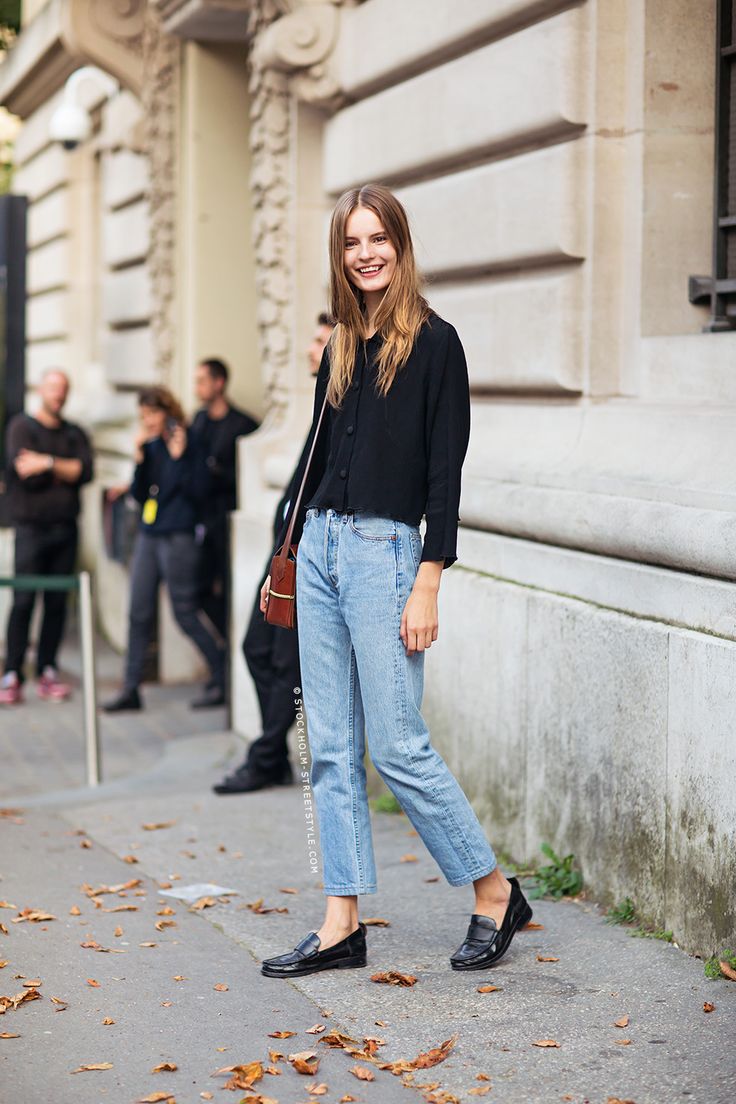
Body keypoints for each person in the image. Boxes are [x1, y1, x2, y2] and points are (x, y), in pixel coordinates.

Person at [259, 185, 532, 980]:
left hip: (385, 557)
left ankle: (492, 890)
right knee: (333, 749)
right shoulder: (342, 342)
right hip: (319, 551)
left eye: (378, 239)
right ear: (340, 255)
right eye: (352, 242)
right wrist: (295, 544)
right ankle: (341, 920)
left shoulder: (437, 344)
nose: (365, 253)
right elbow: (316, 458)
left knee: (400, 744)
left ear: (401, 246)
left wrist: (429, 581)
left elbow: (445, 475)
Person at [213, 314, 335, 795]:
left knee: (286, 661)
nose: (310, 349)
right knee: (254, 648)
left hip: (304, 554)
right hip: (282, 551)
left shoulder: (341, 407)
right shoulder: (321, 402)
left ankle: (265, 756)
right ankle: (272, 753)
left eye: (320, 341)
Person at [103, 387, 225, 713]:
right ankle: (130, 689)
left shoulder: (192, 442)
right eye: (143, 416)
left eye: (152, 414)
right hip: (149, 534)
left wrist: (179, 458)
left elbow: (199, 491)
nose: (147, 421)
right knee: (138, 611)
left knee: (184, 611)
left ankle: (222, 673)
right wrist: (140, 460)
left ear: (167, 412)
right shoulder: (152, 446)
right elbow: (143, 496)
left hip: (180, 537)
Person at [0, 369, 93, 706]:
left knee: (56, 605)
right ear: (41, 390)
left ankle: (47, 670)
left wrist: (48, 463)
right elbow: (25, 471)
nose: (59, 395)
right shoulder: (21, 427)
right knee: (23, 601)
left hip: (65, 530)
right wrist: (60, 470)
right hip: (31, 529)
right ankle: (12, 673)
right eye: (53, 388)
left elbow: (85, 470)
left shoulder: (74, 433)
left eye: (64, 389)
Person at [189, 358, 258, 709]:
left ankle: (229, 676)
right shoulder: (197, 422)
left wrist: (214, 471)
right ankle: (222, 657)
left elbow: (244, 478)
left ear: (220, 383)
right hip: (202, 524)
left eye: (202, 380)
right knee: (198, 592)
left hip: (229, 524)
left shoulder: (243, 425)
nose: (197, 387)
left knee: (232, 596)